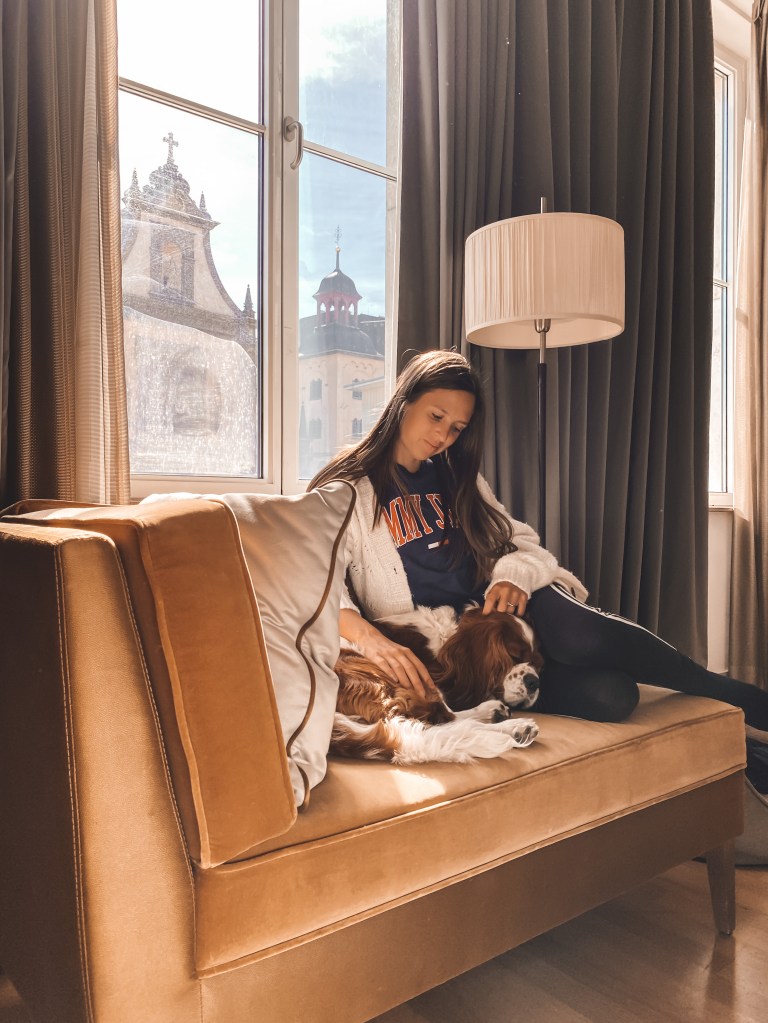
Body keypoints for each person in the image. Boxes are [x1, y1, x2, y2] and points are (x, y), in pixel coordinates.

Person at [310, 349, 768, 729]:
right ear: (403, 400)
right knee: (614, 696)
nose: (443, 436)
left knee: (581, 636)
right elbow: (314, 580)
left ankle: (729, 693)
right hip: (454, 646)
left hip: (507, 606)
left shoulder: (455, 478)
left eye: (457, 428)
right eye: (436, 416)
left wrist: (512, 576)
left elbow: (521, 541)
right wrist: (369, 638)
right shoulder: (347, 489)